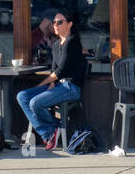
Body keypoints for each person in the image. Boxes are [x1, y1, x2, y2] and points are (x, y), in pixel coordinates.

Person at [17, 10, 88, 151]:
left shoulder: (72, 42)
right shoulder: (56, 45)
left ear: (69, 24)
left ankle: (51, 131)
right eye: (54, 22)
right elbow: (54, 70)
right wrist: (51, 83)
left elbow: (60, 71)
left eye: (60, 22)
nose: (55, 25)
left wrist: (43, 84)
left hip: (71, 87)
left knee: (35, 102)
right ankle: (49, 131)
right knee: (22, 96)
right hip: (58, 86)